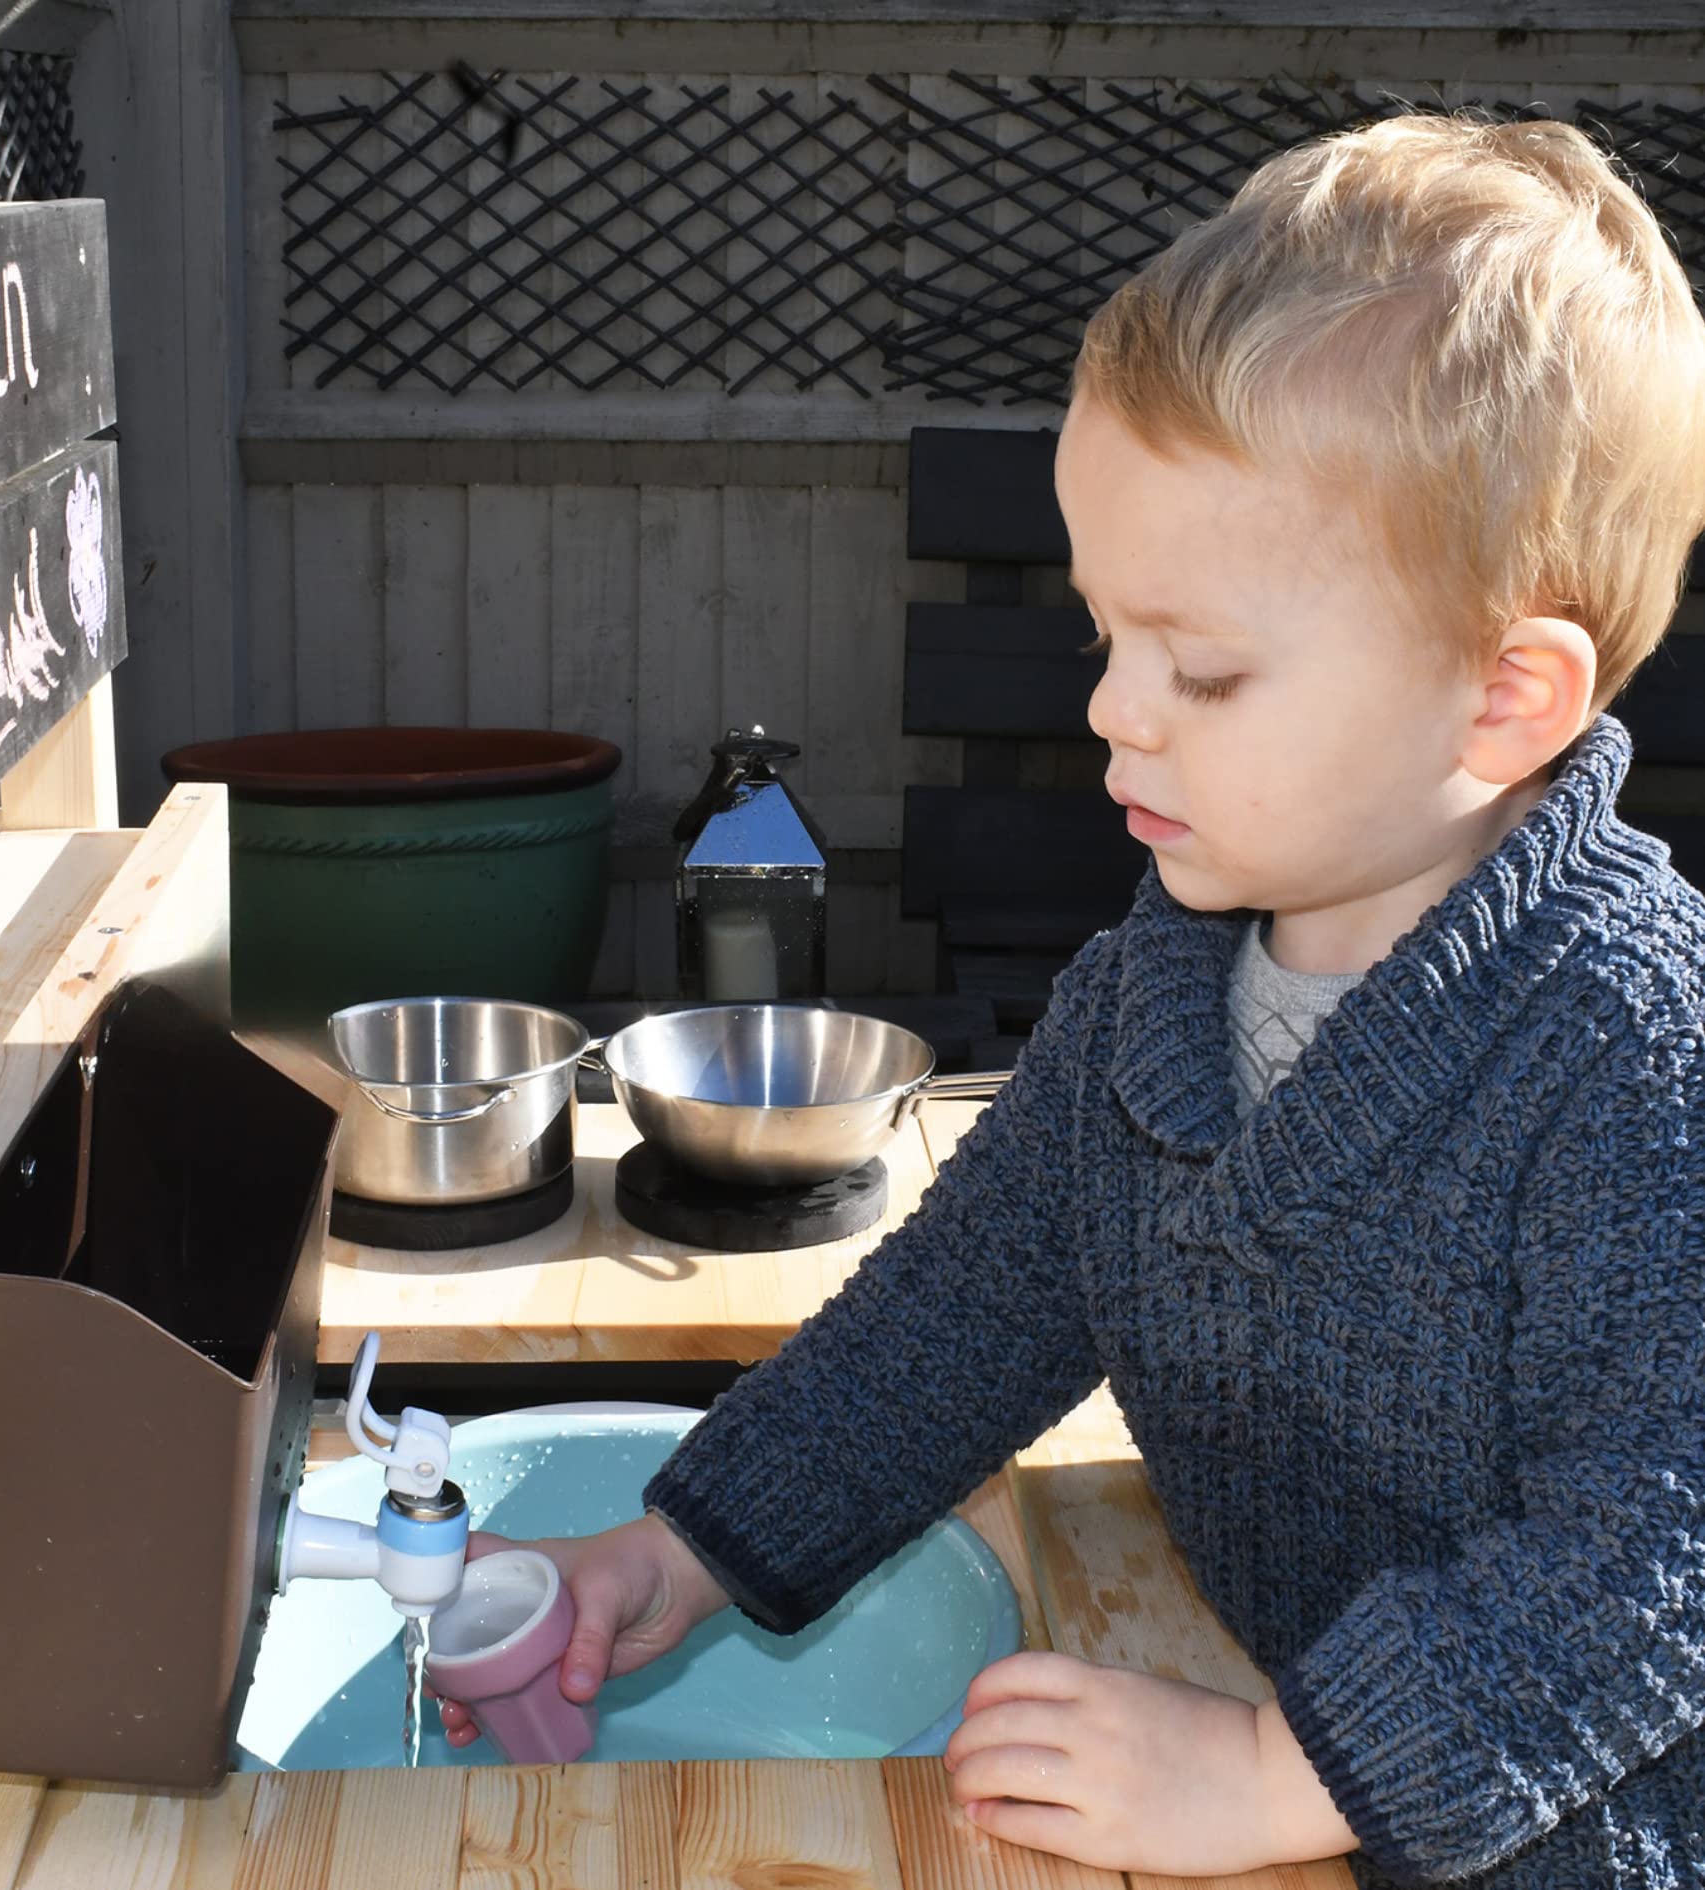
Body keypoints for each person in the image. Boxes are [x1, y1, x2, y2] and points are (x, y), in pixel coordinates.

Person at [436, 111, 1705, 1887]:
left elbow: (1653, 1558)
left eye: (1201, 665)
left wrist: (1271, 1774)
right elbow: (952, 1320)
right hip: (1291, 1753)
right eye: (1103, 631)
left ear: (1501, 702)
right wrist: (684, 1550)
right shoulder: (1150, 1006)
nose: (1115, 706)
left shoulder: (1634, 1052)